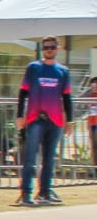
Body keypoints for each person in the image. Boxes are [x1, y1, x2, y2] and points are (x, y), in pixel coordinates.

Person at [15, 36, 73, 205]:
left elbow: (67, 96)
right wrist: (20, 115)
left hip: (55, 120)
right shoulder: (33, 68)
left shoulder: (63, 71)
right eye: (46, 47)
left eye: (52, 47)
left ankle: (45, 193)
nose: (49, 49)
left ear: (57, 49)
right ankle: (26, 193)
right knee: (30, 157)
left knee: (49, 159)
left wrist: (70, 120)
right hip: (35, 119)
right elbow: (23, 92)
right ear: (42, 49)